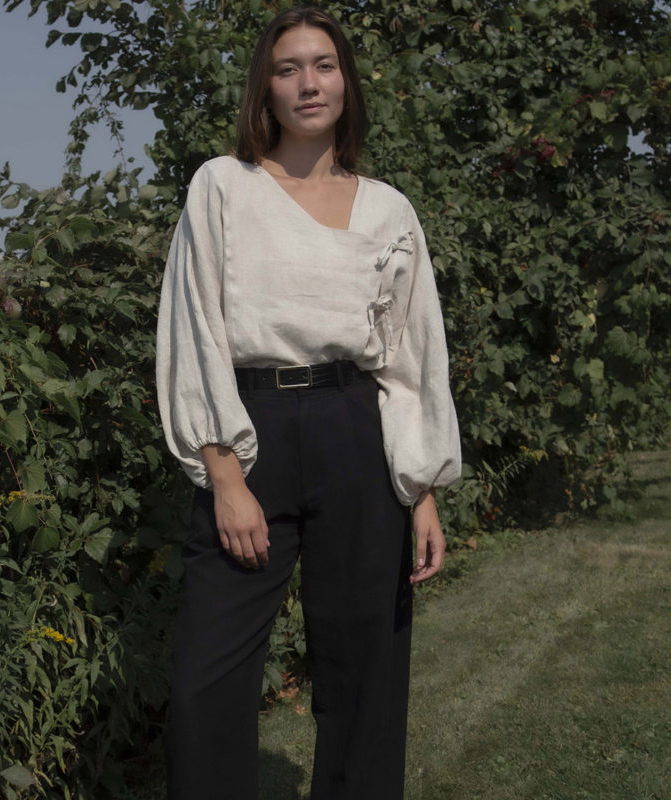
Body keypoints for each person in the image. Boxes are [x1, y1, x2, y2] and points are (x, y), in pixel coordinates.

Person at [155, 6, 461, 799]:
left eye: (323, 64)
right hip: (247, 434)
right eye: (288, 68)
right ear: (267, 88)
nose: (307, 82)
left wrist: (419, 487)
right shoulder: (224, 187)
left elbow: (408, 358)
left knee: (365, 671)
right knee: (204, 679)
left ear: (347, 83)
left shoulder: (390, 210)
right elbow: (195, 327)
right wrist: (224, 476)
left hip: (357, 433)